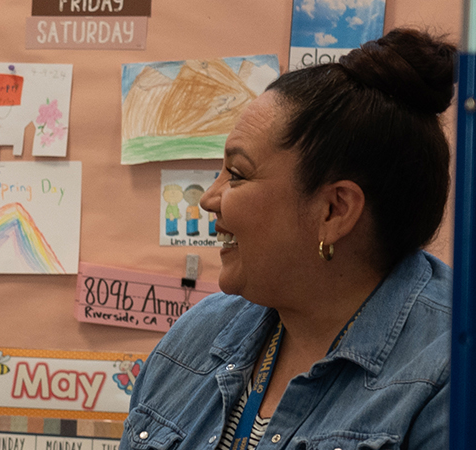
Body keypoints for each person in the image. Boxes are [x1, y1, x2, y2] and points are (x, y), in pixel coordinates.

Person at [122, 29, 453, 449]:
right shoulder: (196, 337)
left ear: (334, 210)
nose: (209, 198)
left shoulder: (450, 376)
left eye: (237, 175)